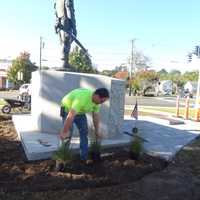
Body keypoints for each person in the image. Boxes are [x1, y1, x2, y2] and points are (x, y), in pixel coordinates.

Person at [59, 88, 109, 162]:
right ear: (97, 96)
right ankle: (62, 158)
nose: (101, 103)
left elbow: (95, 116)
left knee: (84, 131)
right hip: (67, 109)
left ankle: (84, 157)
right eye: (101, 101)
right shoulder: (81, 98)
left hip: (80, 113)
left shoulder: (97, 103)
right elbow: (71, 115)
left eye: (103, 102)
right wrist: (64, 131)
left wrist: (96, 131)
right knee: (68, 135)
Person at [54, 0, 77, 69]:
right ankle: (64, 63)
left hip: (59, 22)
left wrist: (56, 24)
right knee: (66, 42)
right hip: (66, 21)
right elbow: (70, 11)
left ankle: (65, 62)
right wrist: (74, 27)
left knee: (63, 42)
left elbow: (55, 12)